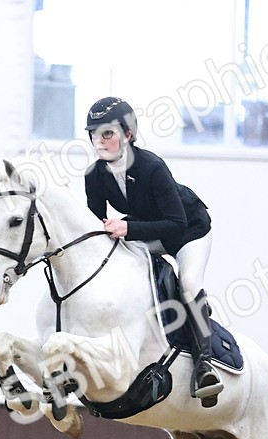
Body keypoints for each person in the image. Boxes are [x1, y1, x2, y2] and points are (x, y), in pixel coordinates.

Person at [83, 96, 222, 408]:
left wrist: (128, 229)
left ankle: (204, 366)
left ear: (128, 134)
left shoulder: (152, 166)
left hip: (189, 230)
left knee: (188, 284)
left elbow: (175, 222)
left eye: (107, 133)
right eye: (93, 134)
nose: (99, 141)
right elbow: (96, 229)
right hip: (146, 229)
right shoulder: (94, 176)